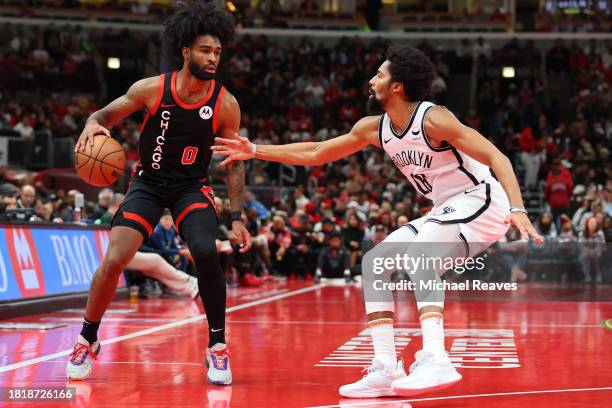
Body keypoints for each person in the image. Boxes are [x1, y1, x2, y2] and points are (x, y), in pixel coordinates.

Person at [212, 45, 542, 397]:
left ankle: (436, 358)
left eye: (380, 75)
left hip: (483, 200)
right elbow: (318, 152)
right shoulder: (375, 128)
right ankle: (386, 367)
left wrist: (518, 209)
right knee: (375, 263)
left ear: (397, 86)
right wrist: (255, 150)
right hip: (447, 207)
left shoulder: (434, 119)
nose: (371, 81)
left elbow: (496, 156)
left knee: (419, 257)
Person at [67, 1, 251, 386]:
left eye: (218, 51)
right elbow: (101, 116)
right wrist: (91, 124)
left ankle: (216, 346)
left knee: (205, 252)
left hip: (191, 187)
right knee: (116, 257)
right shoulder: (151, 88)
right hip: (148, 182)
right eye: (205, 50)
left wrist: (237, 217)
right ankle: (87, 337)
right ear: (186, 51)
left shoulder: (226, 104)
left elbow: (235, 161)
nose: (213, 57)